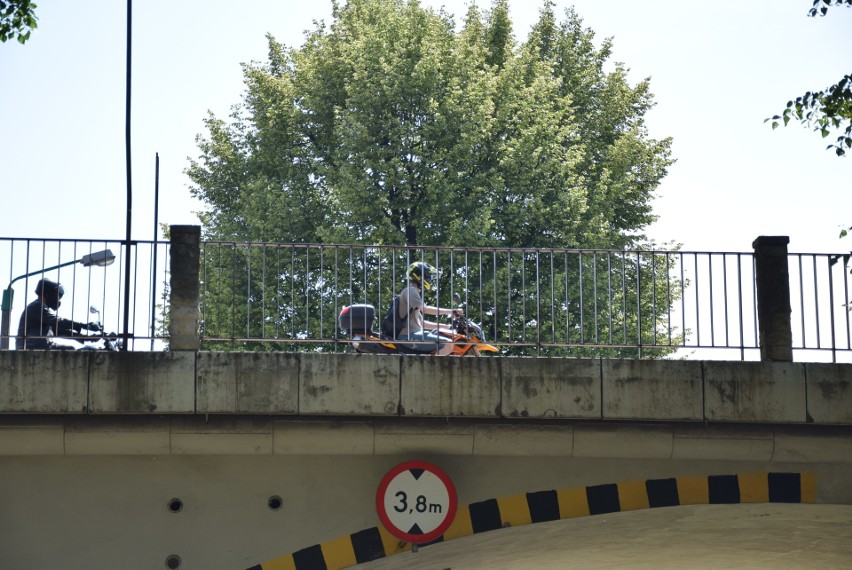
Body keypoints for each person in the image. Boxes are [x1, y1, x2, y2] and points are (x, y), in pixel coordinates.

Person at [396, 262, 462, 356]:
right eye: (428, 277)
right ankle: (433, 370)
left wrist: (447, 327)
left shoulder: (412, 293)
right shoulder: (410, 290)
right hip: (407, 337)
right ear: (418, 276)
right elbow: (426, 309)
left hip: (412, 335)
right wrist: (451, 311)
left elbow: (422, 323)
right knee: (448, 343)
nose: (430, 280)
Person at [15, 278, 101, 350]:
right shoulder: (38, 306)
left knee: (72, 349)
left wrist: (88, 338)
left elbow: (61, 331)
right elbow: (57, 321)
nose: (58, 300)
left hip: (34, 345)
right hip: (32, 346)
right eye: (57, 296)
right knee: (72, 351)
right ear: (49, 294)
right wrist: (84, 325)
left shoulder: (41, 312)